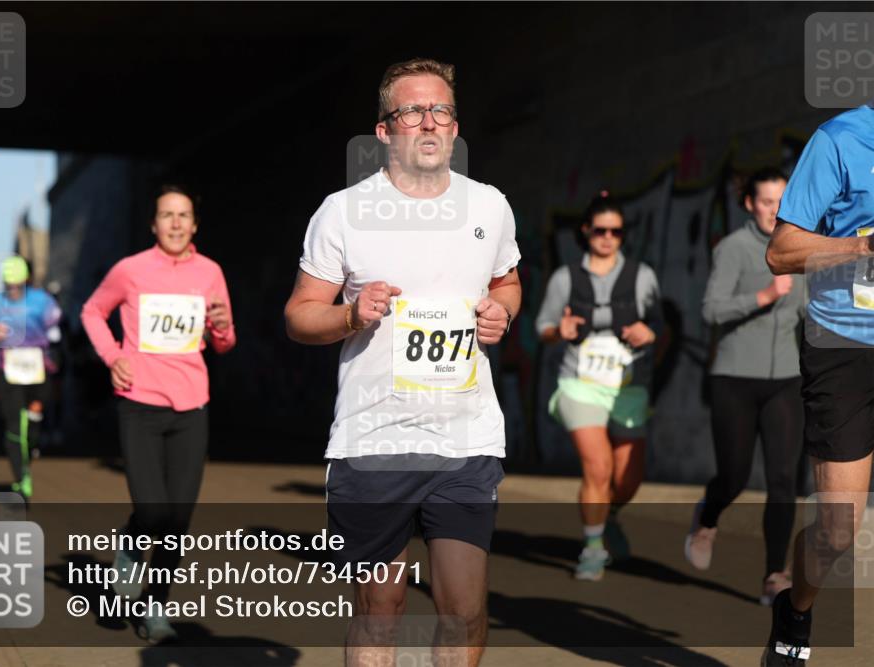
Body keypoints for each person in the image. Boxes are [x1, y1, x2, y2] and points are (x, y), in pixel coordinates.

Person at [285, 58, 520, 667]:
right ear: (384, 130)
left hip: (466, 438)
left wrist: (502, 311)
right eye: (412, 111)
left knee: (464, 609)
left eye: (440, 110)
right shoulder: (342, 211)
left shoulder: (489, 206)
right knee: (379, 610)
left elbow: (508, 282)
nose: (428, 122)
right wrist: (350, 316)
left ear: (456, 127)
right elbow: (299, 315)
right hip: (374, 440)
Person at [81, 184, 236, 644]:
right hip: (140, 402)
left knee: (179, 520)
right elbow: (91, 311)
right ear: (153, 224)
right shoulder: (130, 271)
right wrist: (113, 357)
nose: (174, 223)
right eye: (166, 215)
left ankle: (154, 608)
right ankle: (129, 551)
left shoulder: (210, 272)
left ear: (194, 224)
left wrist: (223, 329)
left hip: (192, 406)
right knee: (152, 512)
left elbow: (225, 341)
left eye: (183, 215)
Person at [761, 103, 874, 665]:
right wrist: (862, 245)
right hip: (846, 345)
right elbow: (781, 252)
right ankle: (796, 612)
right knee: (837, 529)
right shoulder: (840, 141)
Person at [685, 167, 806, 605]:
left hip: (786, 382)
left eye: (782, 200)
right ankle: (708, 514)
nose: (775, 210)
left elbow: (811, 311)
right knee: (734, 475)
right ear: (750, 204)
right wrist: (764, 297)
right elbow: (710, 310)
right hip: (735, 380)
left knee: (782, 478)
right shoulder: (734, 248)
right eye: (767, 201)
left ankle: (775, 574)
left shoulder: (800, 246)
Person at [536, 192, 662, 581]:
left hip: (628, 386)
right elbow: (543, 327)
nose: (608, 238)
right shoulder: (564, 278)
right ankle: (592, 548)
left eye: (616, 232)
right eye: (600, 230)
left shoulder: (642, 277)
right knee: (598, 465)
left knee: (627, 478)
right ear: (587, 231)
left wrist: (650, 332)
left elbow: (660, 326)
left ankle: (609, 517)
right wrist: (561, 330)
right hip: (580, 383)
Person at [0, 256, 61, 500]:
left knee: (34, 416)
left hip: (37, 366)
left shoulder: (42, 300)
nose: (12, 289)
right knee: (13, 423)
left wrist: (53, 343)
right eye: (9, 284)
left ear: (26, 280)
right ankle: (20, 478)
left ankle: (33, 443)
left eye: (17, 284)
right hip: (7, 367)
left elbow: (56, 326)